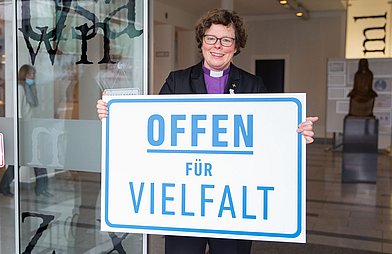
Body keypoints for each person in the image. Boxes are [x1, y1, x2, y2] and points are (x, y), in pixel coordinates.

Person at [96, 9, 318, 254]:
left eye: (226, 40)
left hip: (234, 207)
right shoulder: (176, 81)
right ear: (201, 42)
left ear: (236, 46)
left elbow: (269, 135)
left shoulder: (253, 85)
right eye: (211, 38)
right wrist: (115, 115)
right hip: (185, 206)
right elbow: (148, 130)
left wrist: (296, 132)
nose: (218, 46)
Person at [0, 64, 52, 197]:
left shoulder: (31, 88)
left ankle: (41, 188)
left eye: (33, 74)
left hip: (32, 127)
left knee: (35, 159)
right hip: (24, 129)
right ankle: (4, 186)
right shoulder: (20, 89)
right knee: (22, 160)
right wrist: (20, 131)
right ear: (23, 75)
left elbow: (35, 109)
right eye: (29, 74)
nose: (32, 76)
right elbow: (18, 111)